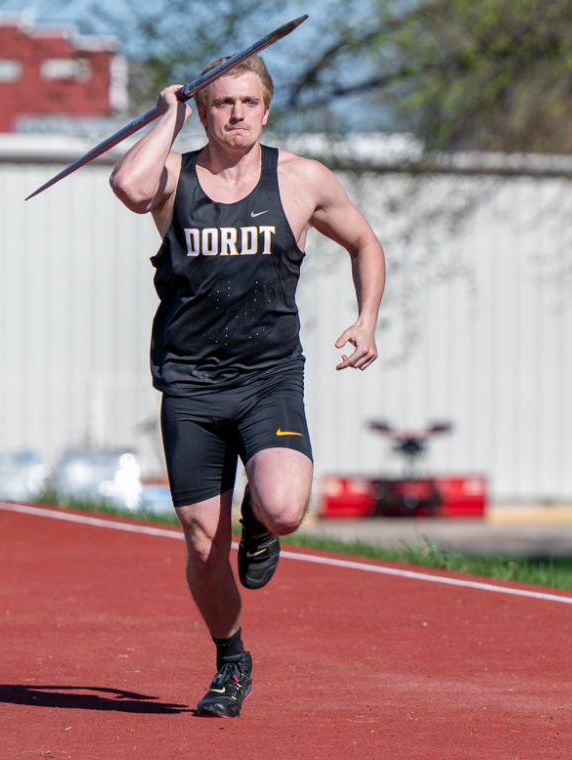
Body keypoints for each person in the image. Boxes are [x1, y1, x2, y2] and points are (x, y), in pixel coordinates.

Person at [108, 54, 385, 717]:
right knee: (204, 549)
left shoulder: (300, 179)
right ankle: (231, 660)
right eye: (221, 103)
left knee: (284, 507)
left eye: (247, 103)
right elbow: (126, 185)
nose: (235, 115)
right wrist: (166, 113)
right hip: (191, 383)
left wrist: (366, 319)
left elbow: (364, 243)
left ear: (266, 109)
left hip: (267, 379)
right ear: (203, 112)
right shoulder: (173, 175)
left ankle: (259, 525)